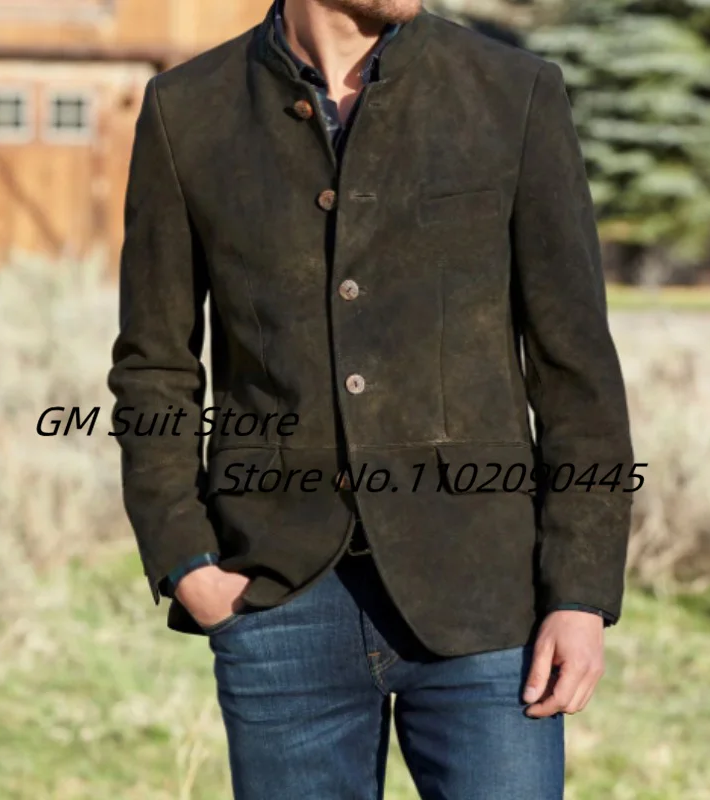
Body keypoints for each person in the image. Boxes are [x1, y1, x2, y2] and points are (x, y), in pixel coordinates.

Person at [108, 0, 635, 797]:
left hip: (488, 602)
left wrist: (581, 592)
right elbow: (154, 363)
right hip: (277, 598)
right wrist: (185, 558)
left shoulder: (512, 91)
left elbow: (576, 366)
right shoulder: (188, 109)